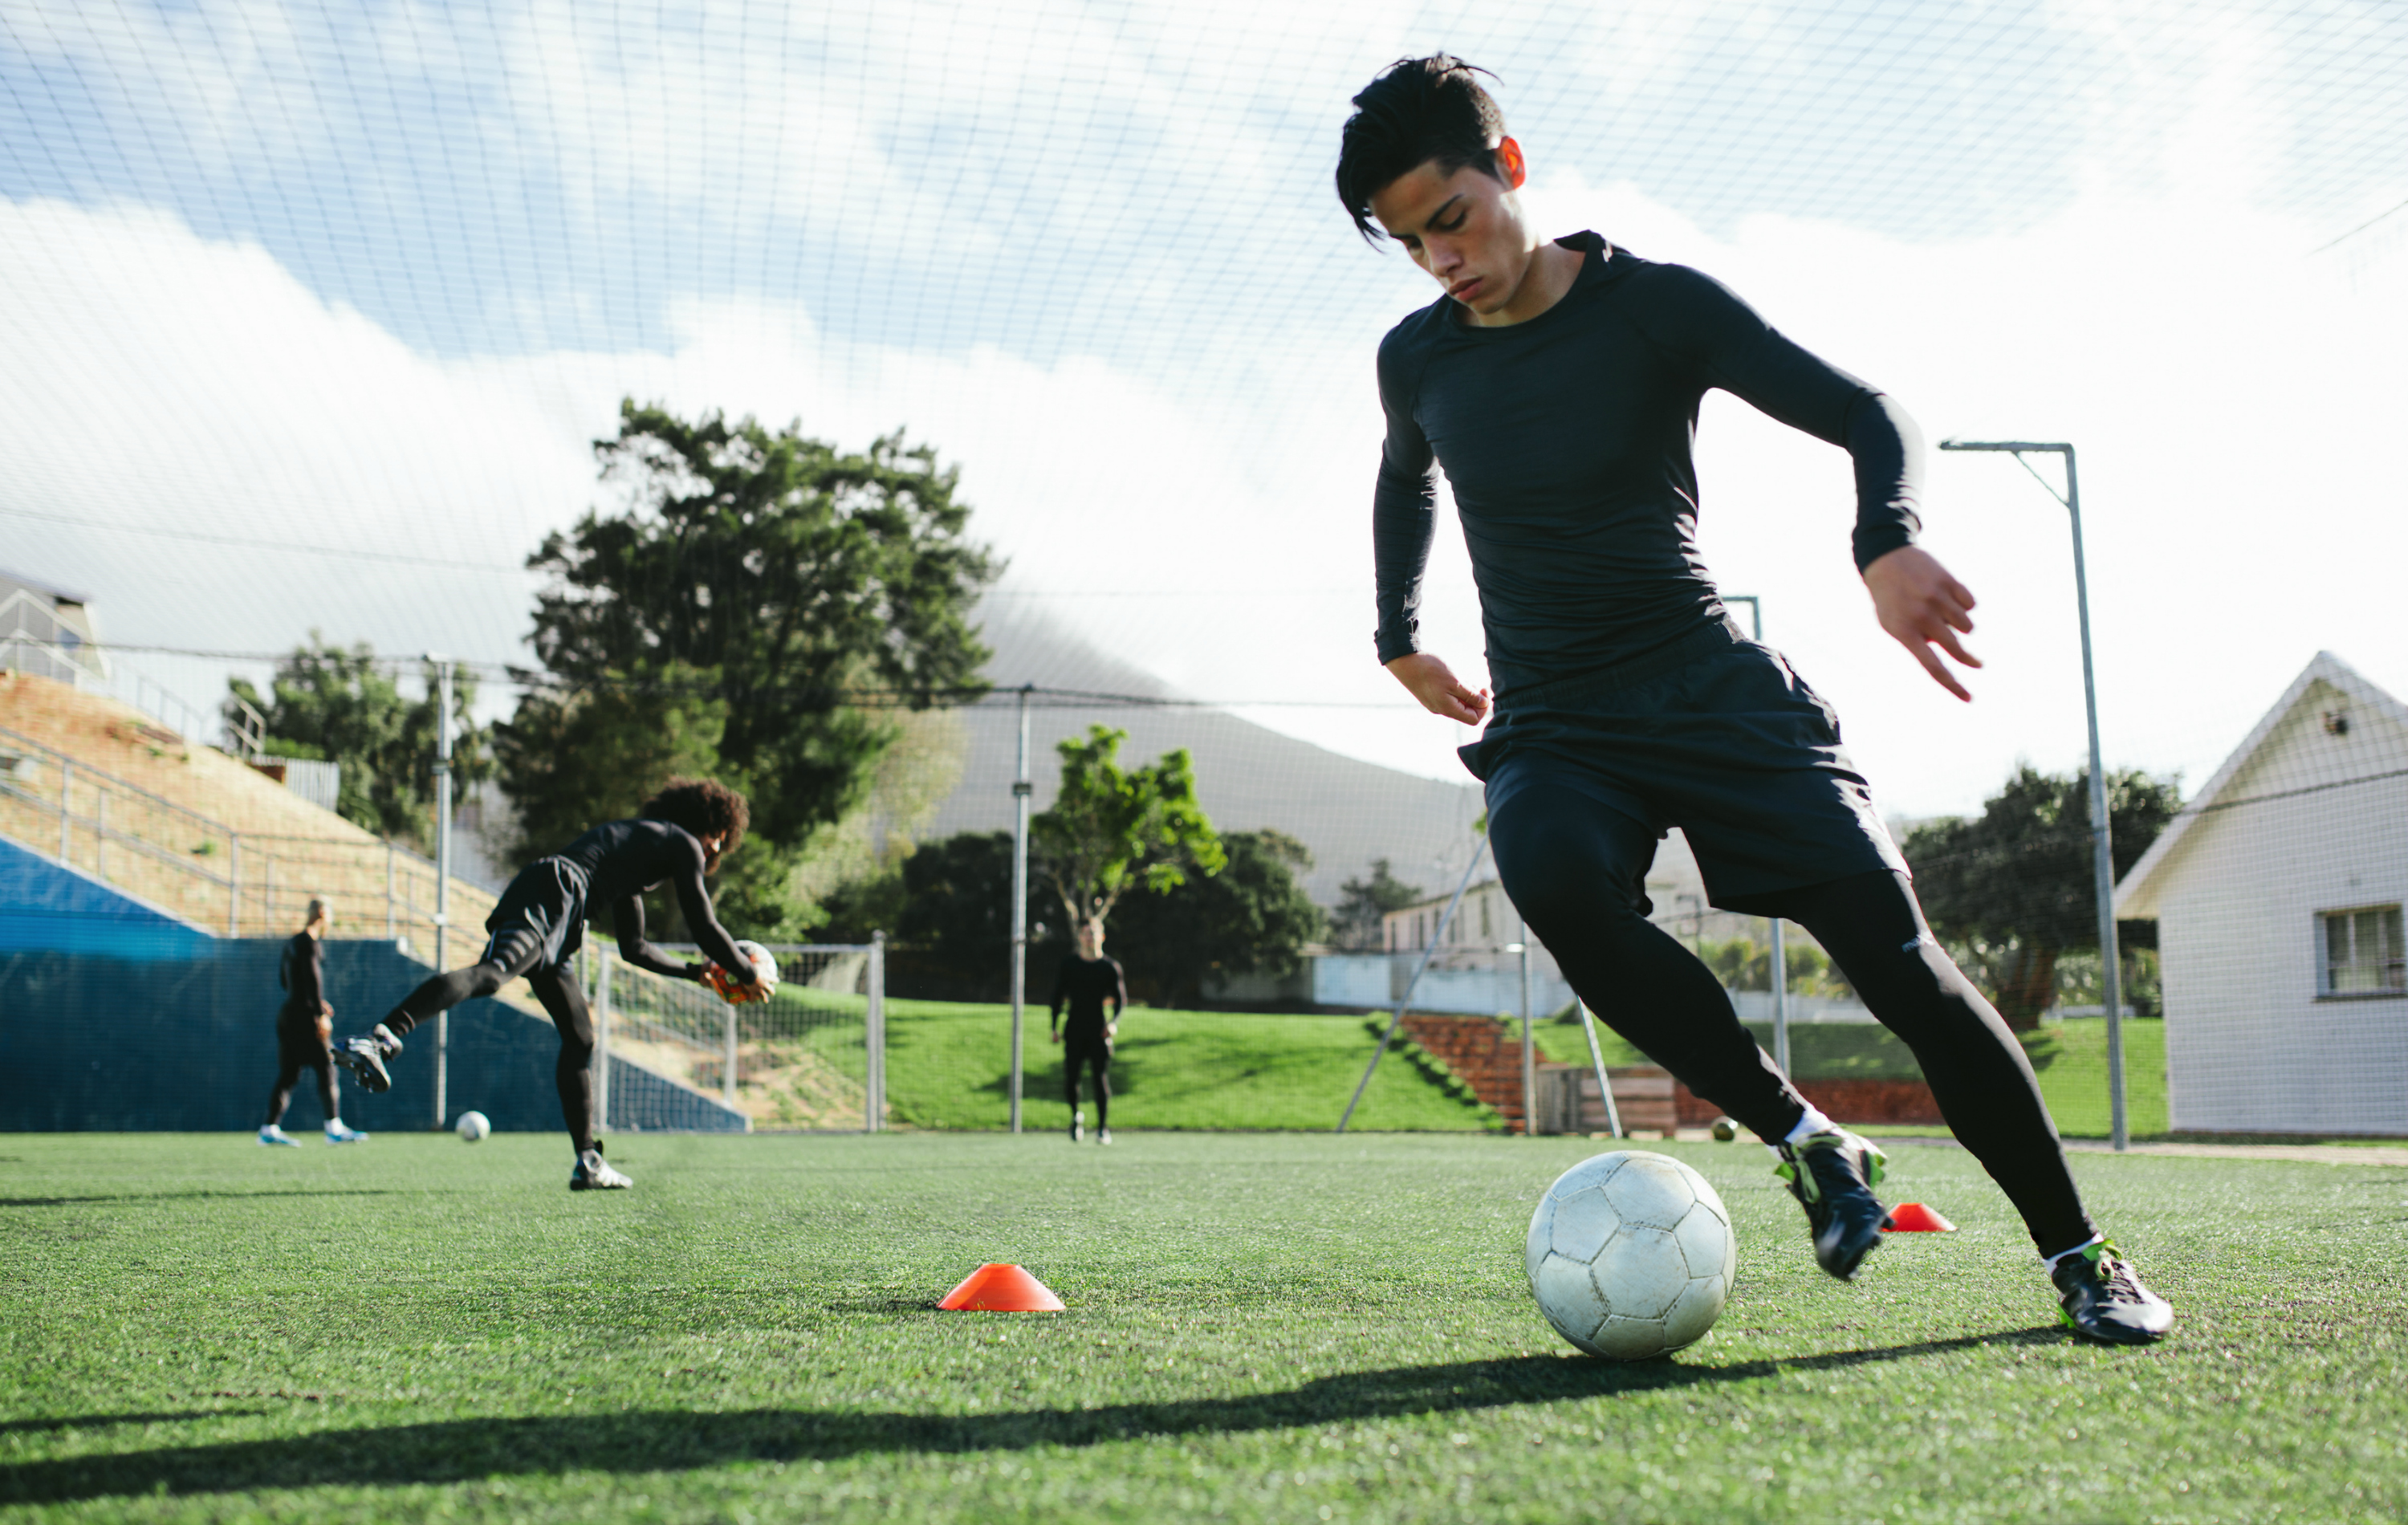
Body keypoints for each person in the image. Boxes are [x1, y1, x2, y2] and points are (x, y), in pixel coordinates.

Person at [1335, 55, 2170, 1344]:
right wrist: (1398, 634)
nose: (1439, 258)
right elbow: (1407, 481)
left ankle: (2084, 1257)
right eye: (1407, 244)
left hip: (1711, 690)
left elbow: (1868, 408)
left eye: (1449, 218)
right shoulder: (1418, 360)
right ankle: (1807, 1139)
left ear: (1506, 169)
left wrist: (1884, 539)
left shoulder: (1652, 307)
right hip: (1557, 719)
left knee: (1907, 973)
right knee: (1551, 872)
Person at [331, 778, 766, 1190]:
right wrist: (748, 973)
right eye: (720, 838)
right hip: (555, 892)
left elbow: (635, 948)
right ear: (710, 827)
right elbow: (705, 926)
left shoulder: (638, 854)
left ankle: (589, 1162)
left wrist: (697, 974)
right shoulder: (682, 842)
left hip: (564, 913)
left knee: (580, 1038)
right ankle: (379, 1038)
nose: (716, 848)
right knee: (493, 975)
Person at [259, 897, 368, 1146]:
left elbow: (285, 982)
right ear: (322, 914)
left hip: (288, 1015)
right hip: (306, 1019)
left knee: (289, 1073)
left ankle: (269, 1129)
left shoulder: (292, 943)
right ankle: (334, 1129)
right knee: (327, 1067)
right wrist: (319, 1011)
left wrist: (312, 1002)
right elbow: (312, 977)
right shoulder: (310, 942)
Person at [1050, 919, 1126, 1145]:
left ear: (1102, 936)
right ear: (1080, 937)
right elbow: (1056, 997)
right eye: (1085, 933)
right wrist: (1054, 1026)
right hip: (1074, 1029)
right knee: (1071, 1079)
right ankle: (1076, 1118)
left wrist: (1113, 1023)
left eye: (1093, 933)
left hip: (1098, 1031)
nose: (1089, 937)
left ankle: (1102, 1128)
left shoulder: (1110, 967)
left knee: (1100, 1079)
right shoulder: (1069, 964)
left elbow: (1121, 999)